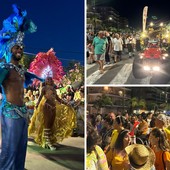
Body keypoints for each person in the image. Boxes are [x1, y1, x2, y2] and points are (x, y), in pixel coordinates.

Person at [0, 4, 42, 170]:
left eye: (22, 47)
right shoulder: (5, 68)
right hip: (10, 112)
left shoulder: (22, 70)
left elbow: (30, 80)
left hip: (23, 112)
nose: (20, 49)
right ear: (10, 50)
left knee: (21, 148)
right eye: (17, 47)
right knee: (9, 149)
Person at [28, 77, 77, 150]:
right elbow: (41, 97)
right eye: (47, 79)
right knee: (47, 123)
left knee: (51, 124)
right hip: (47, 107)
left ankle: (50, 140)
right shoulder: (44, 88)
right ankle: (48, 142)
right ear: (46, 81)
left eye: (50, 79)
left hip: (53, 107)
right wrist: (37, 104)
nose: (49, 80)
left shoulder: (54, 89)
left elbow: (57, 98)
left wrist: (66, 103)